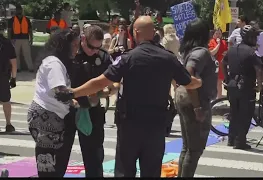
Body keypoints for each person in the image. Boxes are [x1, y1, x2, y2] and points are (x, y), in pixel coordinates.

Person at [54, 16, 200, 177]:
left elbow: (100, 82)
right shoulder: (169, 58)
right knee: (151, 171)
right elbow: (189, 82)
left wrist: (73, 92)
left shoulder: (128, 58)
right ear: (153, 32)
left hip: (129, 125)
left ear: (136, 33)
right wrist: (200, 82)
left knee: (124, 170)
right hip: (156, 126)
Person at [66, 25, 119, 177]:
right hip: (68, 108)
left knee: (94, 157)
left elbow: (115, 79)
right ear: (83, 39)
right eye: (91, 47)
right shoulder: (71, 54)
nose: (94, 51)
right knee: (61, 153)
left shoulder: (103, 56)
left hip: (93, 108)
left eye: (98, 47)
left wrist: (110, 90)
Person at [27, 29, 80, 177]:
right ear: (64, 45)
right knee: (48, 166)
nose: (77, 49)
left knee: (56, 162)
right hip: (47, 116)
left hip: (53, 115)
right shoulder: (53, 63)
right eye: (74, 45)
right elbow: (60, 91)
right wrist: (84, 93)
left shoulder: (58, 62)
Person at [175, 18, 216, 178]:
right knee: (195, 148)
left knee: (187, 147)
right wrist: (198, 107)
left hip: (184, 97)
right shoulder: (201, 52)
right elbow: (190, 71)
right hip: (195, 100)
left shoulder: (188, 50)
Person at [222, 25, 263, 150]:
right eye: (255, 37)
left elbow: (223, 63)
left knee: (234, 113)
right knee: (245, 114)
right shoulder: (251, 52)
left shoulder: (232, 49)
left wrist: (226, 78)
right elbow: (259, 70)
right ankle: (240, 141)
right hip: (245, 86)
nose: (256, 39)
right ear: (249, 37)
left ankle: (231, 139)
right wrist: (259, 86)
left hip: (232, 85)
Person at [0, 19, 17, 132]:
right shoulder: (7, 43)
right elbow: (13, 62)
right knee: (6, 100)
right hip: (3, 76)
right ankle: (8, 124)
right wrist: (14, 78)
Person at [7, 4, 33, 72]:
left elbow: (30, 30)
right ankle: (18, 68)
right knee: (16, 54)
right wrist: (9, 40)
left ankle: (30, 68)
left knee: (27, 54)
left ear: (22, 10)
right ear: (15, 11)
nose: (19, 11)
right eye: (17, 9)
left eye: (20, 9)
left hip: (25, 39)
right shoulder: (11, 20)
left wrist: (31, 38)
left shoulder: (27, 19)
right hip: (15, 39)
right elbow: (9, 31)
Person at [208, 28, 228, 99]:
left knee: (220, 81)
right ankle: (214, 95)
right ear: (213, 35)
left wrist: (225, 53)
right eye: (216, 33)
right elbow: (212, 52)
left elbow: (226, 51)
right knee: (214, 81)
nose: (218, 35)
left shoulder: (224, 42)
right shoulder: (211, 42)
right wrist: (218, 44)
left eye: (219, 33)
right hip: (214, 64)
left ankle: (219, 95)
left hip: (221, 64)